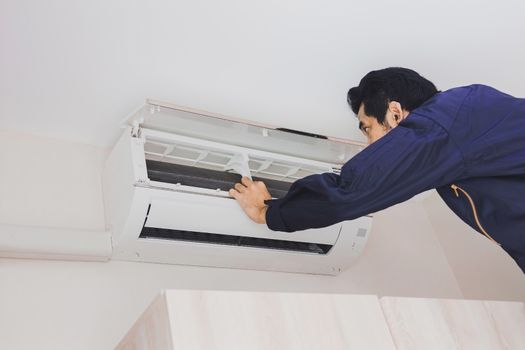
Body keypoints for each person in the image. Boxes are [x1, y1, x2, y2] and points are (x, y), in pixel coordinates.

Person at [228, 67, 525, 273]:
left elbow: (354, 189)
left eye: (368, 129)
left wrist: (269, 212)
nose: (369, 146)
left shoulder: (448, 118)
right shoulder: (459, 136)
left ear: (395, 112)